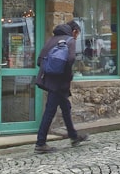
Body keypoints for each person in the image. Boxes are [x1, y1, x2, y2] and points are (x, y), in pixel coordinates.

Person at [34, 19, 89, 153]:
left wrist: (51, 70)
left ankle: (73, 136)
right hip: (59, 83)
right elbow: (70, 59)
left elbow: (39, 60)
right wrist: (65, 74)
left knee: (65, 107)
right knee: (50, 111)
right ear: (74, 31)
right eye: (77, 34)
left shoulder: (51, 40)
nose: (76, 37)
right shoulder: (70, 41)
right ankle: (40, 143)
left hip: (49, 80)